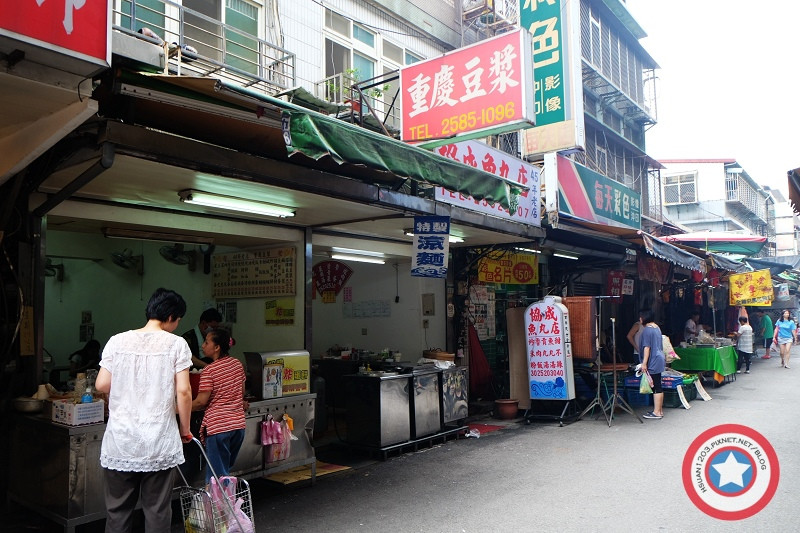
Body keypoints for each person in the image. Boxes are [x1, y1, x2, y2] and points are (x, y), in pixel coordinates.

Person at [95, 288, 193, 533]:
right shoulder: (177, 344)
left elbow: (101, 384)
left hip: (121, 441)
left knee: (117, 512)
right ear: (171, 316)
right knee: (157, 510)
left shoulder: (117, 341)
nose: (177, 324)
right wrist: (185, 429)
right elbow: (184, 392)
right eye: (178, 319)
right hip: (158, 441)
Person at [191, 327, 247, 483]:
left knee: (216, 477)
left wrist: (177, 408)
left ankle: (221, 506)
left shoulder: (209, 371)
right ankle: (222, 504)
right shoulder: (237, 364)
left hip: (219, 428)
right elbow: (241, 392)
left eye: (206, 342)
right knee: (224, 471)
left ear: (216, 347)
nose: (203, 345)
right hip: (238, 426)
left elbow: (201, 402)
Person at [638, 308, 665, 420]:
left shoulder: (647, 330)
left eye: (640, 317)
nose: (639, 319)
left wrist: (644, 363)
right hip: (659, 358)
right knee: (658, 384)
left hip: (653, 360)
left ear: (643, 318)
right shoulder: (656, 328)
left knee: (656, 386)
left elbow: (647, 348)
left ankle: (656, 412)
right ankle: (659, 410)